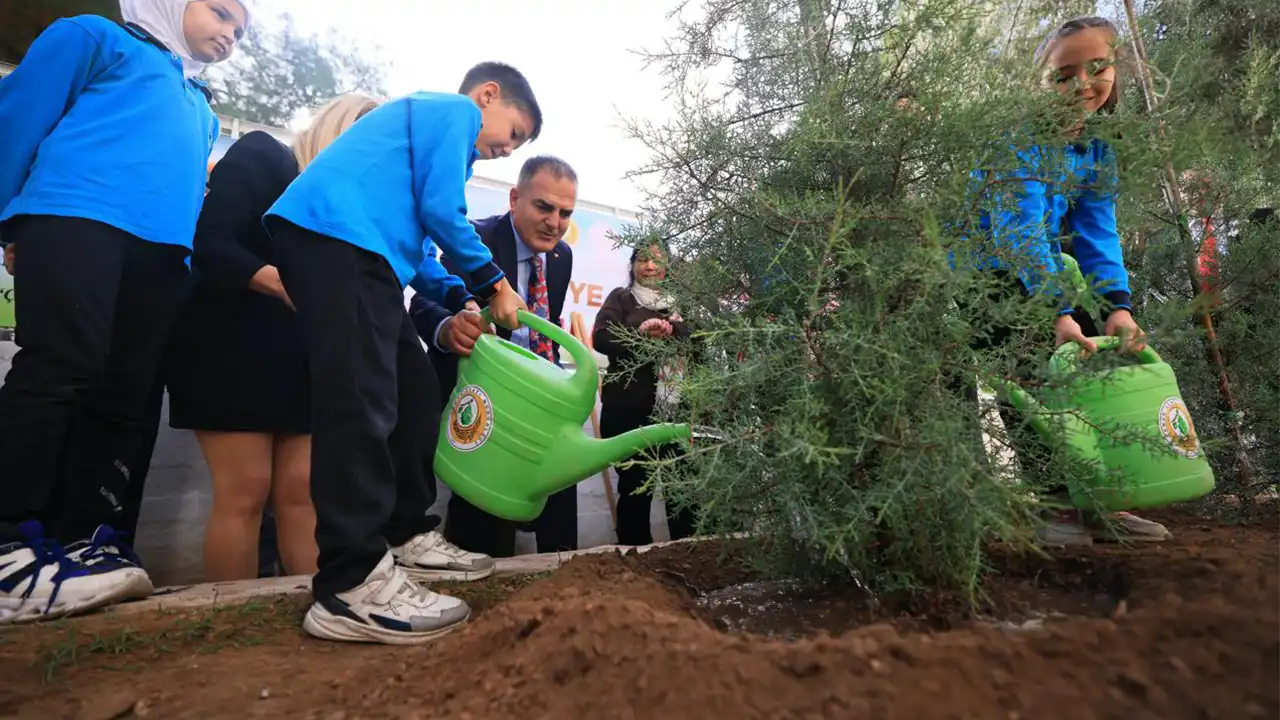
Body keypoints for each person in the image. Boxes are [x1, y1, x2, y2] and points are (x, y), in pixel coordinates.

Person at [263, 61, 538, 644]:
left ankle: (405, 535)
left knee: (413, 394)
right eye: (512, 134)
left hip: (367, 252)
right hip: (336, 240)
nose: (504, 150)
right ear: (488, 96)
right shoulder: (452, 111)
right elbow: (445, 215)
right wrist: (495, 285)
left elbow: (417, 251)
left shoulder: (410, 163)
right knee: (360, 406)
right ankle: (350, 583)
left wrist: (463, 298)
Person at [0, 0, 248, 625]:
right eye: (221, 12)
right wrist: (10, 221)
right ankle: (7, 548)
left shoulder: (200, 105)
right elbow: (18, 119)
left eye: (241, 31)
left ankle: (88, 541)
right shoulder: (93, 38)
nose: (230, 34)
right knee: (59, 368)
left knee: (124, 398)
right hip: (74, 221)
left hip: (163, 260)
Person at [164, 95, 389, 582]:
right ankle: (229, 622)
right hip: (229, 344)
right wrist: (285, 283)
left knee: (303, 492)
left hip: (304, 359)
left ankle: (312, 610)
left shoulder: (353, 208)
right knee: (244, 490)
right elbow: (211, 244)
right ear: (339, 128)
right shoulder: (265, 156)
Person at [964, 16, 1169, 547]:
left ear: (1116, 68)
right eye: (1063, 74)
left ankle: (1098, 500)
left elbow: (1098, 231)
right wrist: (1058, 310)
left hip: (1035, 274)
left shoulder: (1097, 147)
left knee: (1082, 367)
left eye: (1097, 67)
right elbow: (1020, 229)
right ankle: (1056, 505)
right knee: (1028, 376)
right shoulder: (1018, 137)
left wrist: (1117, 307)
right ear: (1041, 82)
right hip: (976, 275)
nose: (1083, 84)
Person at [410, 155, 579, 558]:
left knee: (563, 481)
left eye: (565, 213)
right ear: (515, 198)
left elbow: (544, 320)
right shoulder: (474, 241)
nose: (554, 222)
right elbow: (423, 304)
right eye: (544, 207)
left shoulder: (561, 257)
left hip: (534, 396)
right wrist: (450, 330)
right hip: (480, 400)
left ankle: (568, 581)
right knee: (483, 519)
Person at [593, 244, 699, 546]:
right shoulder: (621, 299)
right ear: (632, 266)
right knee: (635, 489)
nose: (649, 266)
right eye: (642, 259)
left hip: (680, 414)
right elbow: (601, 337)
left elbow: (703, 336)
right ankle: (633, 563)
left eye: (656, 259)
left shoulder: (685, 301)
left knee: (684, 490)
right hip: (629, 414)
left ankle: (686, 555)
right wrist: (639, 332)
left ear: (669, 265)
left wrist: (672, 329)